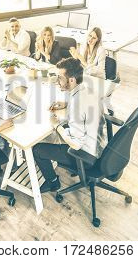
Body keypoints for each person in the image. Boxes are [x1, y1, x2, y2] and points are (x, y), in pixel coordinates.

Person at [32, 58, 108, 193]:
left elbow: (76, 144)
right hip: (101, 145)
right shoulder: (87, 89)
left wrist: (57, 126)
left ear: (72, 80)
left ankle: (53, 183)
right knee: (58, 132)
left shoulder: (77, 105)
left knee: (37, 148)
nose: (57, 81)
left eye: (60, 78)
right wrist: (67, 104)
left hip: (86, 156)